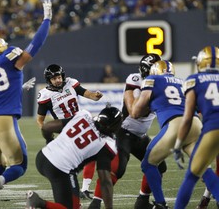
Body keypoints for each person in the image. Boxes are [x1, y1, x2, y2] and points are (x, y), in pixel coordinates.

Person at [0, 0, 52, 209]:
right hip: (4, 121)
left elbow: (0, 88)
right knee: (19, 165)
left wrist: (18, 88)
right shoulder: (9, 58)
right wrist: (46, 20)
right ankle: (0, 183)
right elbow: (35, 45)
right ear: (1, 48)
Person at [88, 53, 167, 209]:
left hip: (140, 135)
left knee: (159, 165)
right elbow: (133, 111)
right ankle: (95, 203)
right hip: (124, 131)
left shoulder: (161, 83)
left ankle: (142, 201)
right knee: (116, 170)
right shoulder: (135, 79)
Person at [131, 60, 202, 209]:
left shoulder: (152, 79)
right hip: (196, 123)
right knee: (202, 167)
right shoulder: (183, 82)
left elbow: (136, 112)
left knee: (148, 163)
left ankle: (160, 204)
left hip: (175, 124)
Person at [26, 105, 124, 209]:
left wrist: (49, 140)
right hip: (60, 169)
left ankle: (39, 203)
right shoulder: (106, 145)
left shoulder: (83, 115)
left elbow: (46, 127)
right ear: (112, 127)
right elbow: (105, 181)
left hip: (43, 156)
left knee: (66, 205)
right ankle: (38, 202)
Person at [36, 63, 103, 199]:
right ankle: (73, 190)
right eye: (54, 78)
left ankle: (84, 189)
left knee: (91, 153)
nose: (58, 80)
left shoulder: (71, 84)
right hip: (64, 129)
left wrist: (95, 96)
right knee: (72, 161)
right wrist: (48, 134)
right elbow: (40, 120)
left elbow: (87, 94)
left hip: (79, 124)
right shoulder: (45, 95)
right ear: (49, 80)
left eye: (59, 77)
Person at [172, 46, 219, 209]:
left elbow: (187, 118)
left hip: (213, 129)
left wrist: (178, 145)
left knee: (191, 177)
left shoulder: (194, 80)